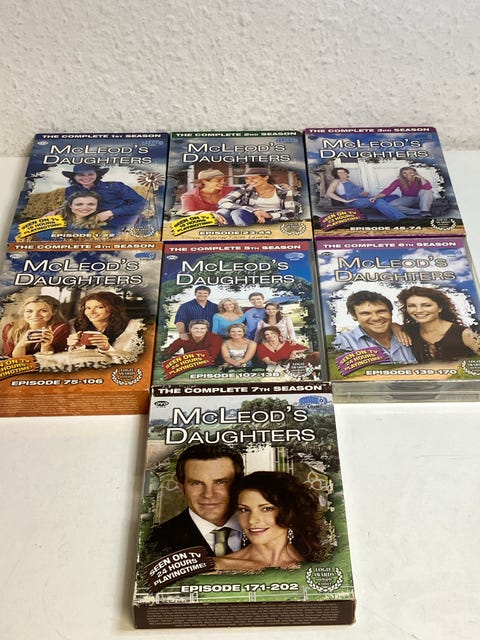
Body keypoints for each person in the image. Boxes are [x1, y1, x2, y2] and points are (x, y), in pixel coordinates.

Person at [214, 471, 331, 571]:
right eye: (244, 509)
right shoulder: (217, 567)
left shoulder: (319, 567)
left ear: (290, 512)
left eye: (266, 509)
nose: (252, 520)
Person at [145, 444, 245, 558]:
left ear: (240, 483)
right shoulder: (153, 542)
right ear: (181, 486)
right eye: (196, 483)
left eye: (220, 482)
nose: (208, 494)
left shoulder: (262, 528)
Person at [397, 286, 480, 363]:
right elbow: (391, 326)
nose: (418, 310)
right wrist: (394, 327)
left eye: (426, 305)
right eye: (412, 306)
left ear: (440, 308)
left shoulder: (465, 334)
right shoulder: (410, 331)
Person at [333, 290, 416, 364]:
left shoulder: (411, 334)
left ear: (391, 313)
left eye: (381, 311)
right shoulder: (343, 342)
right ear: (354, 316)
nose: (376, 318)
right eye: (366, 313)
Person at [62, 165, 147, 229]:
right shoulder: (70, 190)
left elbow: (142, 203)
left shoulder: (116, 186)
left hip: (122, 223)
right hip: (87, 225)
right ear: (74, 177)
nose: (86, 178)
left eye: (90, 174)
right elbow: (70, 207)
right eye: (81, 175)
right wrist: (59, 211)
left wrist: (110, 213)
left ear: (97, 174)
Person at [67, 291, 144, 357]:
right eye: (88, 308)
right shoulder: (75, 325)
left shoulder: (131, 327)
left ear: (113, 309)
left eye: (100, 307)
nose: (91, 312)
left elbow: (128, 357)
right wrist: (74, 347)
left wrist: (107, 348)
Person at [216, 167, 297, 226]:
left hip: (272, 218)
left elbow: (290, 212)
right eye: (247, 178)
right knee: (226, 212)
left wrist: (269, 215)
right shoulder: (245, 188)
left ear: (266, 177)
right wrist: (254, 210)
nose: (249, 181)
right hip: (251, 216)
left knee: (235, 213)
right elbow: (222, 202)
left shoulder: (283, 190)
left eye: (254, 178)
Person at [326, 167, 408, 221]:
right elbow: (329, 193)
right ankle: (401, 219)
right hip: (353, 201)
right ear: (336, 174)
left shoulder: (349, 181)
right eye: (340, 173)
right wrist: (345, 201)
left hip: (362, 198)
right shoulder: (336, 181)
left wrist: (363, 193)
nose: (343, 174)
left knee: (394, 196)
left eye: (344, 172)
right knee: (377, 201)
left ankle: (385, 208)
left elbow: (357, 191)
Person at [2, 294, 70, 357]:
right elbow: (11, 359)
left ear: (54, 312)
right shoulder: (11, 328)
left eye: (43, 311)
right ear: (24, 312)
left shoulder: (60, 328)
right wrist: (21, 344)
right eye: (29, 311)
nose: (35, 315)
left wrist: (46, 346)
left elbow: (50, 360)